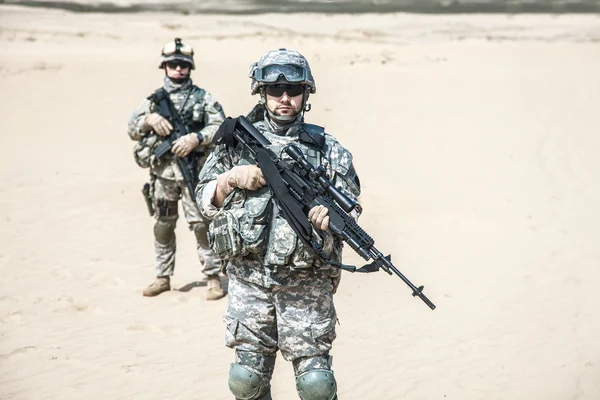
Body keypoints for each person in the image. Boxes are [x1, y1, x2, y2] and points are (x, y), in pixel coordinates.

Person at [195, 48, 361, 400]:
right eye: (275, 91)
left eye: (294, 91)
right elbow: (203, 199)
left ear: (307, 94)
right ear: (261, 92)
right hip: (248, 281)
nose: (285, 99)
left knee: (316, 385)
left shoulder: (329, 150)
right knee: (246, 380)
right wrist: (230, 180)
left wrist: (330, 221)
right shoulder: (234, 144)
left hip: (305, 284)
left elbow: (350, 210)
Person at [127, 38, 226, 300]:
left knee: (202, 226)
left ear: (190, 67)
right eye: (173, 64)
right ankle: (162, 276)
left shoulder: (202, 98)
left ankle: (213, 277)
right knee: (163, 226)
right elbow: (132, 129)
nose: (179, 69)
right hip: (163, 176)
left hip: (194, 173)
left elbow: (220, 127)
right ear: (165, 66)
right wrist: (149, 119)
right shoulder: (153, 101)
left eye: (183, 64)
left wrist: (197, 138)